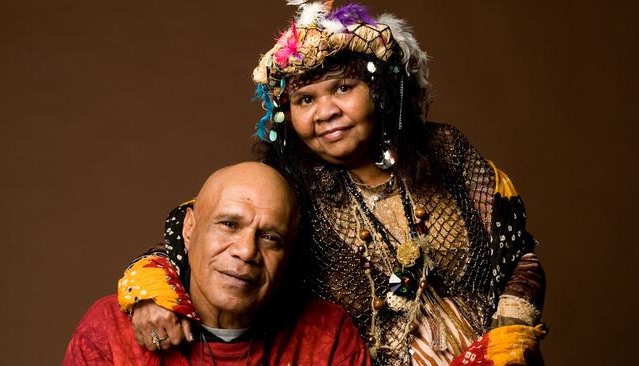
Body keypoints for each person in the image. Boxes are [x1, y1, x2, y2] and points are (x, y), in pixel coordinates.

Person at [118, 2, 547, 365]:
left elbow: (518, 251)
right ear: (288, 115)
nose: (326, 111)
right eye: (306, 100)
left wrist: (507, 336)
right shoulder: (287, 188)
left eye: (343, 88)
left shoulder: (447, 152)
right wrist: (151, 292)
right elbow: (201, 230)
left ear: (379, 89)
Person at [63, 162, 370, 365]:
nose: (246, 251)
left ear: (289, 253)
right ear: (189, 229)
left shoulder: (327, 336)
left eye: (270, 238)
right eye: (229, 224)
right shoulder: (110, 333)